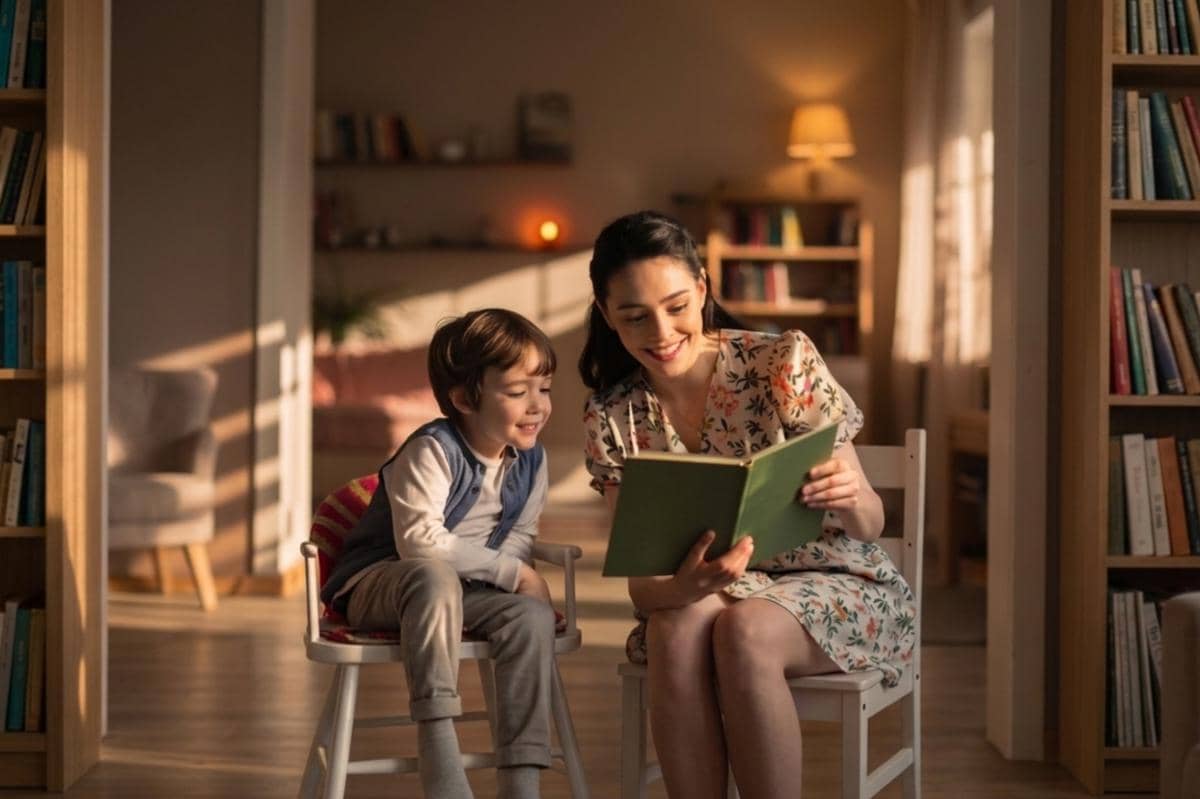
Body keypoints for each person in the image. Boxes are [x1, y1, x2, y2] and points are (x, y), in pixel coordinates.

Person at [579, 211, 916, 799]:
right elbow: (644, 588)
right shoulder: (612, 417)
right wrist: (685, 587)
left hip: (838, 581)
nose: (661, 332)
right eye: (634, 317)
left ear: (704, 289)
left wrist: (855, 494)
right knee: (675, 628)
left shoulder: (782, 362)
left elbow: (870, 525)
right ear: (608, 317)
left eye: (677, 305)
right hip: (715, 593)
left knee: (744, 633)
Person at [321, 308, 558, 799]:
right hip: (383, 583)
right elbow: (418, 543)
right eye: (517, 392)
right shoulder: (432, 449)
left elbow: (519, 531)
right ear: (463, 399)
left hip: (460, 590)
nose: (536, 405)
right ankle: (438, 742)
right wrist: (512, 573)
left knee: (529, 616)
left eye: (545, 388)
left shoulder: (532, 459)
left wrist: (514, 576)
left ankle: (521, 777)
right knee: (433, 575)